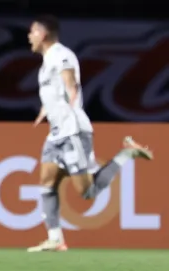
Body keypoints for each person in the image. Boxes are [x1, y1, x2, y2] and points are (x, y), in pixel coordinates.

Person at [26, 15, 153, 252]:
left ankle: (127, 154)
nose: (29, 36)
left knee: (87, 192)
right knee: (46, 181)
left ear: (43, 35)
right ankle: (55, 238)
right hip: (56, 133)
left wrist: (72, 98)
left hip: (73, 130)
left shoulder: (60, 54)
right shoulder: (46, 62)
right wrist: (45, 111)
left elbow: (70, 81)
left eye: (32, 31)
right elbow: (55, 92)